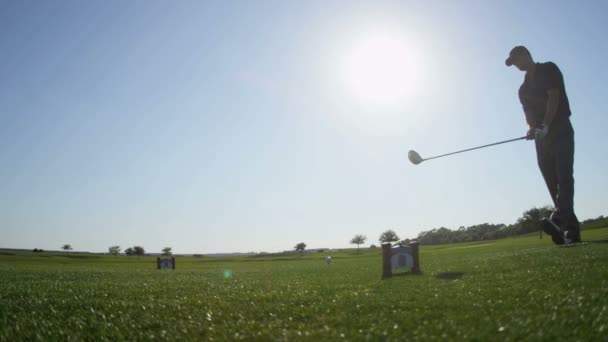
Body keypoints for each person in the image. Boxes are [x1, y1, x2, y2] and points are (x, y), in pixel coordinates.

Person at [505, 46, 581, 244]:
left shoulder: (548, 69)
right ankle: (570, 230)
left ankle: (557, 221)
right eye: (512, 64)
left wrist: (546, 124)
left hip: (560, 129)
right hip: (541, 139)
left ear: (525, 54)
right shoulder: (522, 90)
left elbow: (554, 97)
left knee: (564, 177)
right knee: (552, 184)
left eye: (516, 60)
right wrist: (532, 129)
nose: (516, 65)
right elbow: (528, 115)